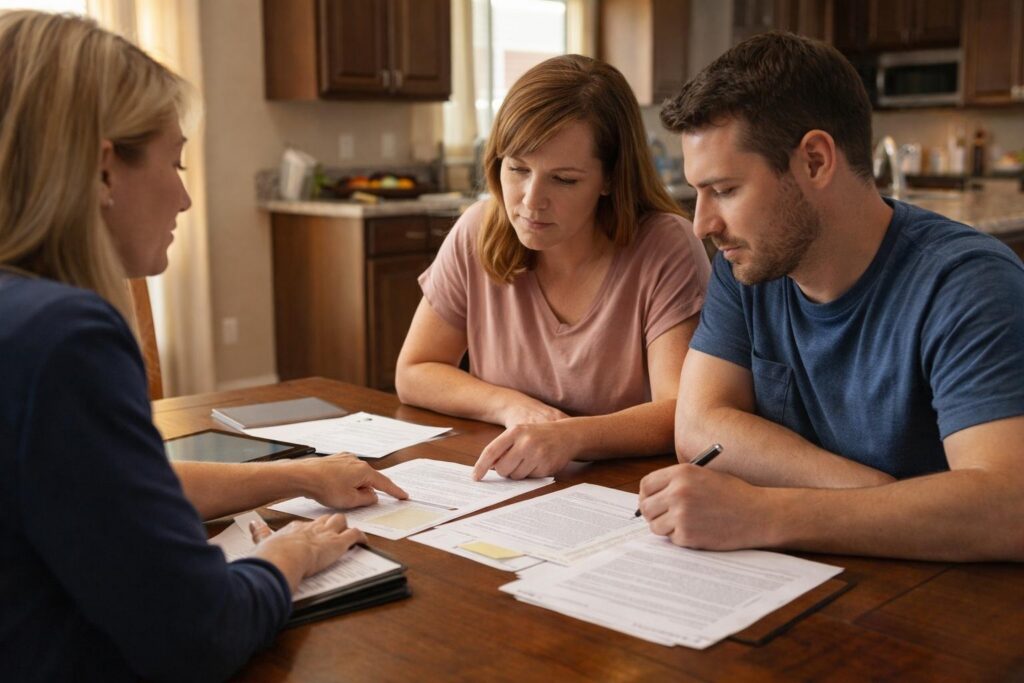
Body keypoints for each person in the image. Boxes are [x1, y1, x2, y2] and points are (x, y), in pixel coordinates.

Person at [0, 11, 405, 681]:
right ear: (103, 170)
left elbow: (117, 491)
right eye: (176, 161)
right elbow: (198, 632)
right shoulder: (63, 339)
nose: (186, 198)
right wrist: (294, 553)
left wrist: (302, 475)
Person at [637, 32, 1024, 562]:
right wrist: (881, 497)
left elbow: (1008, 508)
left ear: (816, 161)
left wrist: (762, 513)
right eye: (699, 192)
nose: (703, 224)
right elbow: (699, 427)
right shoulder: (748, 265)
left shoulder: (967, 285)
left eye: (724, 190)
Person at [395, 55, 710, 480]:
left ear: (611, 178)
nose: (530, 201)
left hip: (623, 487)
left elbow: (681, 412)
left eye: (564, 179)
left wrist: (569, 437)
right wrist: (511, 406)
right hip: (509, 479)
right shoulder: (478, 229)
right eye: (517, 168)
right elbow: (415, 371)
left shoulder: (665, 245)